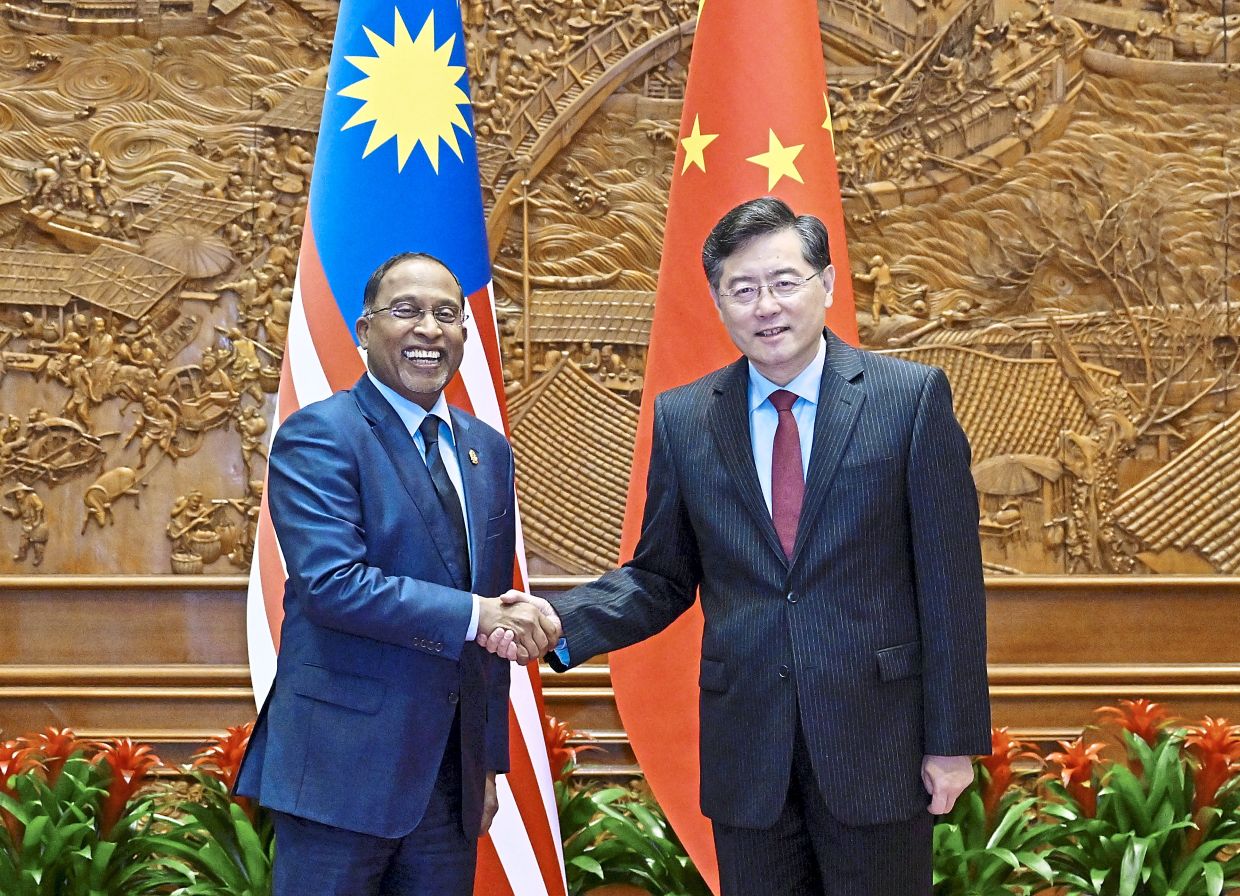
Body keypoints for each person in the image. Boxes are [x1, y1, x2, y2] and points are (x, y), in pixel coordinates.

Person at [487, 197, 989, 895]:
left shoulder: (908, 400)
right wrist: (558, 621)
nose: (766, 306)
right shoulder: (688, 417)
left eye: (784, 282)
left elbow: (952, 586)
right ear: (719, 302)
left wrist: (952, 739)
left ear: (827, 284)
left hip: (878, 746)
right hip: (749, 753)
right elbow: (660, 576)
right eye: (742, 289)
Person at [235, 252, 559, 896]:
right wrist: (477, 615)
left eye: (447, 314)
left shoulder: (486, 450)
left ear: (466, 331)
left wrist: (485, 766)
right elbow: (333, 584)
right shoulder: (319, 436)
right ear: (363, 329)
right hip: (338, 773)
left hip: (447, 784)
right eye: (406, 310)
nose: (429, 329)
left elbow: (488, 623)